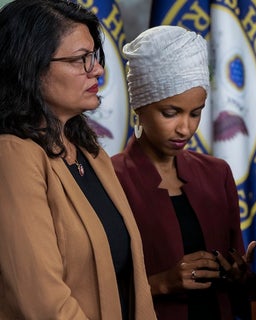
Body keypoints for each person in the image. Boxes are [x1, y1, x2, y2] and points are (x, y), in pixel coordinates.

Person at [0, 0, 156, 319]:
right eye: (80, 59)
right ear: (30, 66)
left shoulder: (91, 151)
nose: (97, 69)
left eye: (93, 57)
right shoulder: (12, 156)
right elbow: (44, 304)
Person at [112, 25, 256, 320]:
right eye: (171, 113)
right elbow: (91, 287)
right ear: (139, 106)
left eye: (196, 113)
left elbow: (247, 293)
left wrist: (240, 276)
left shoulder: (217, 173)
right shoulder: (110, 178)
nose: (186, 128)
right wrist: (162, 283)